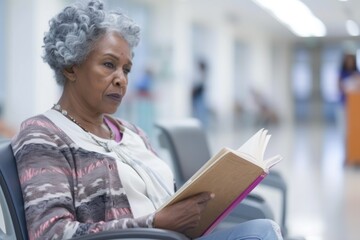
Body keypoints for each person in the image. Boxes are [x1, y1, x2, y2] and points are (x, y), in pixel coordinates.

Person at [11, 1, 283, 239]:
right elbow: (50, 233)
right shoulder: (43, 134)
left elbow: (168, 198)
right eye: (108, 65)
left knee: (262, 228)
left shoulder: (132, 133)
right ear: (71, 66)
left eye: (126, 69)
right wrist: (153, 222)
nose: (121, 79)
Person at [337, 53, 360, 138]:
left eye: (351, 61)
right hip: (344, 103)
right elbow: (339, 87)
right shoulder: (341, 73)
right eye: (348, 61)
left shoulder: (357, 73)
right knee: (345, 127)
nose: (349, 62)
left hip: (356, 104)